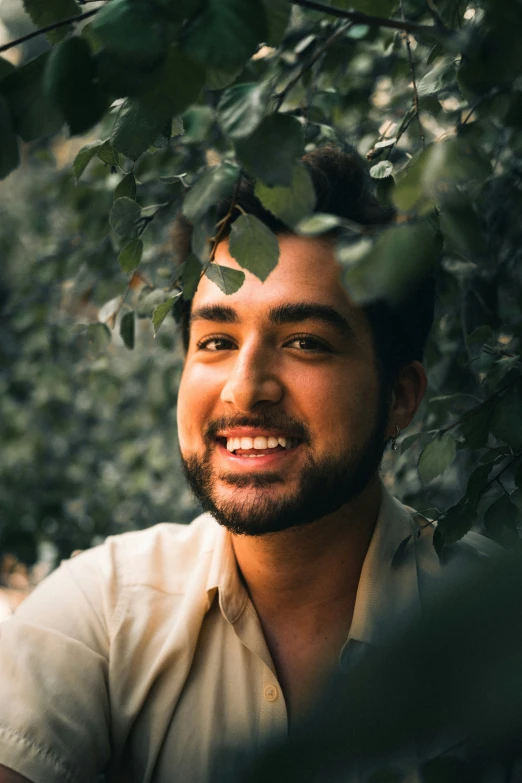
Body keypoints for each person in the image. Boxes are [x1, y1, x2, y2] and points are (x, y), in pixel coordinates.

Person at [0, 146, 492, 783]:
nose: (244, 387)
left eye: (305, 343)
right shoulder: (100, 616)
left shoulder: (492, 629)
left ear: (399, 397)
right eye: (216, 342)